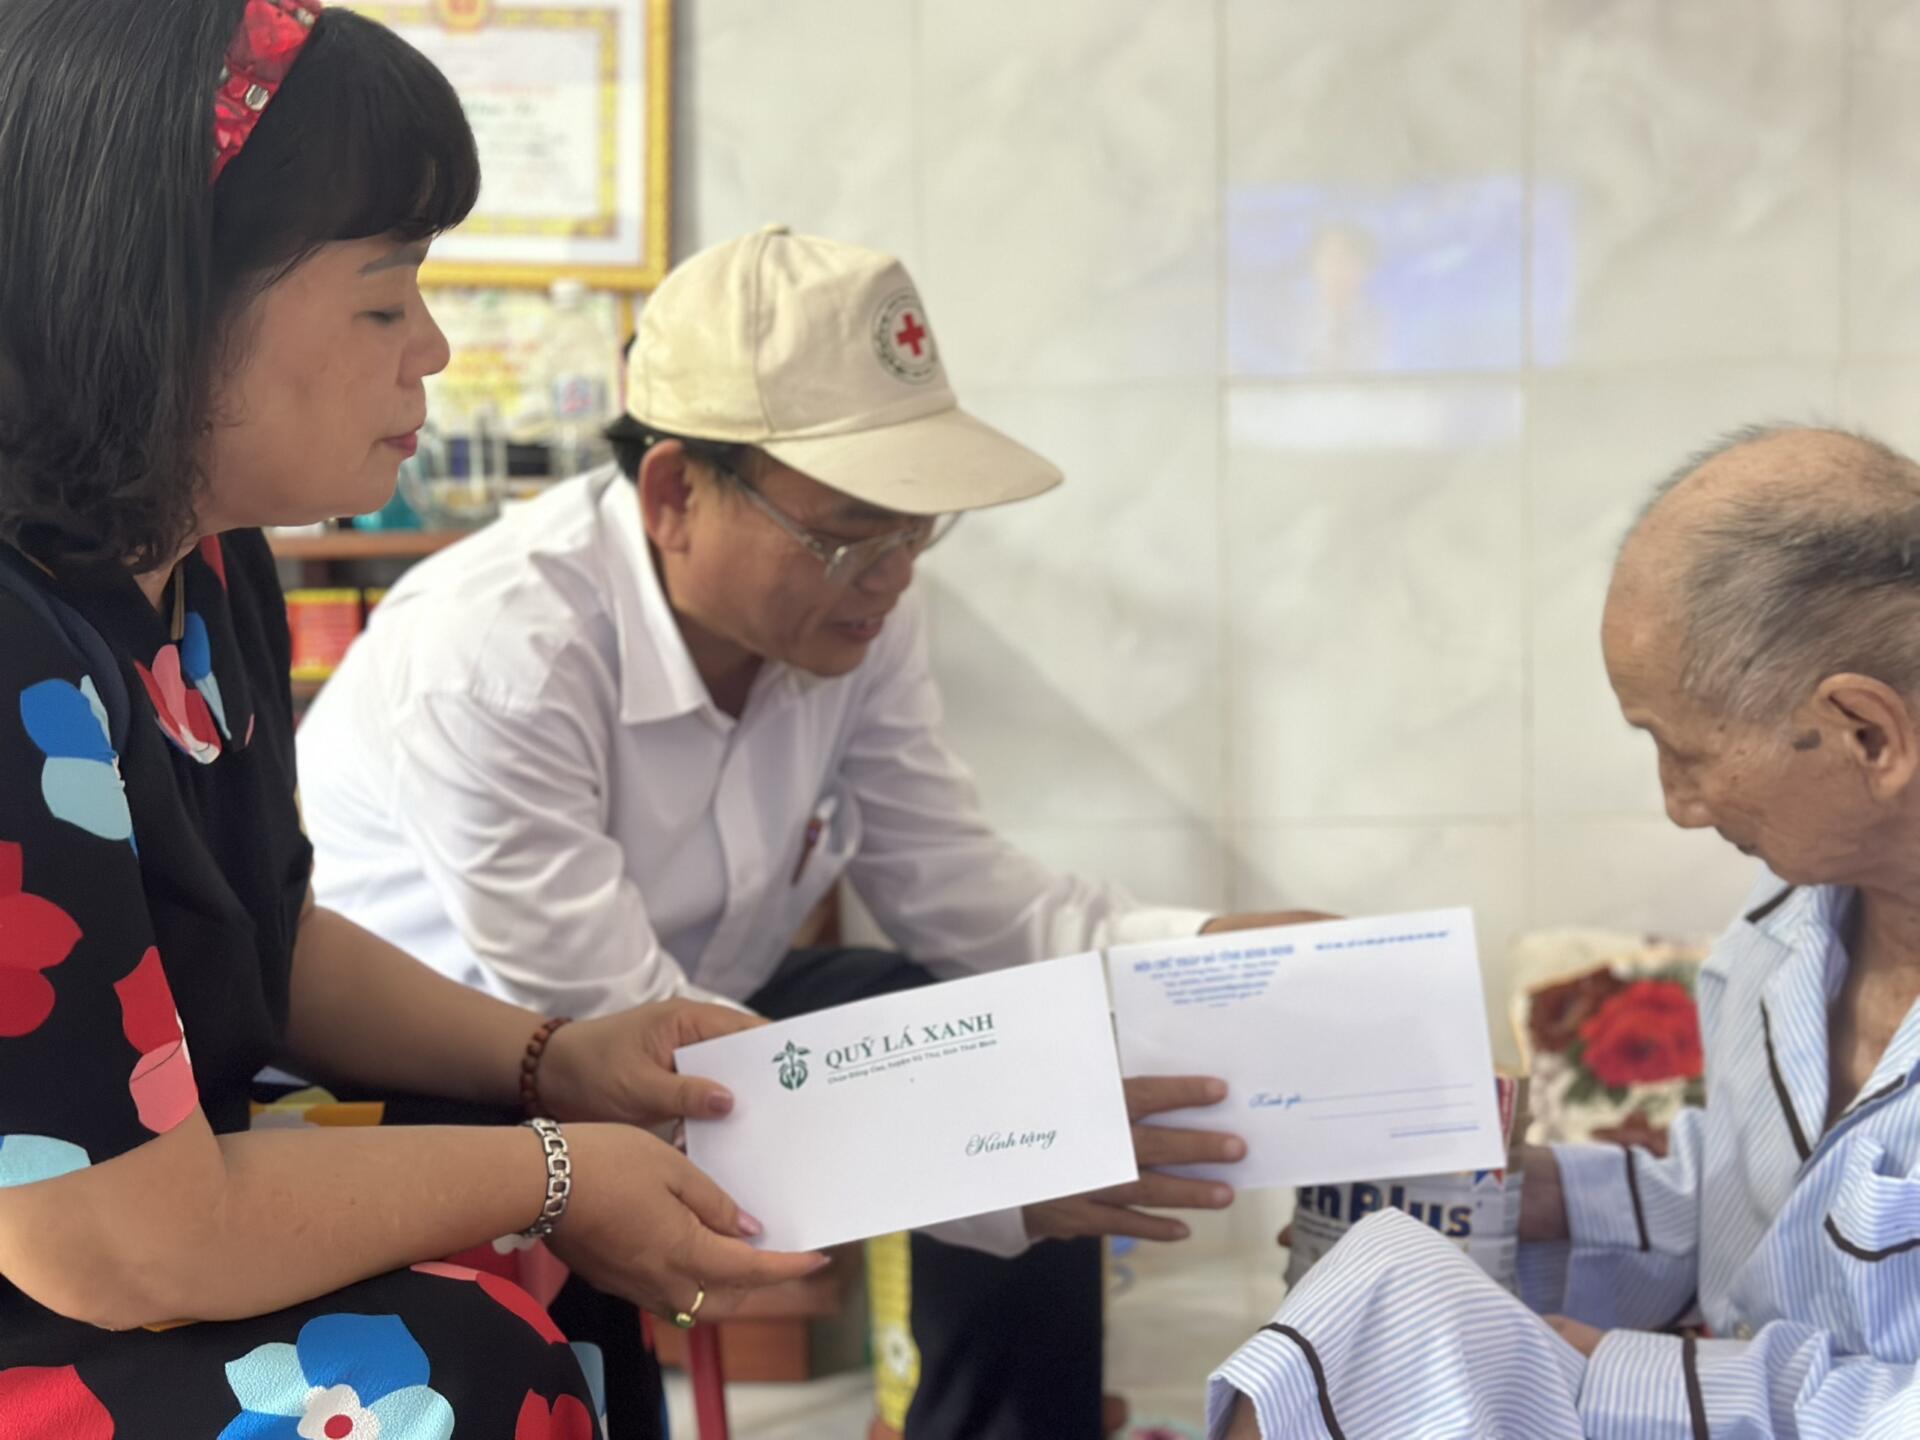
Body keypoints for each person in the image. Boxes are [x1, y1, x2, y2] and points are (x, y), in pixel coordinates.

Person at [297, 225, 1322, 1438]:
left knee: (1013, 1043)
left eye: (917, 529)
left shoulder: (855, 614)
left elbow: (960, 888)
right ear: (675, 494)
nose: (891, 575)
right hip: (479, 1065)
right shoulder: (498, 656)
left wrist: (1208, 957)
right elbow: (616, 1033)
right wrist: (991, 1156)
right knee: (1019, 1126)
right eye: (849, 532)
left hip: (703, 1007)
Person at [0, 4, 827, 1435]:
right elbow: (120, 1241)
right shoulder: (20, 650)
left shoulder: (203, 566)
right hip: (73, 1252)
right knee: (452, 1364)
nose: (433, 349)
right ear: (154, 298)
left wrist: (553, 1062)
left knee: (545, 1210)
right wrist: (557, 1170)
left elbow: (262, 934)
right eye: (386, 301)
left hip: (145, 1199)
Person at [1210, 425, 1920, 1440]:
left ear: (1868, 735)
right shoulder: (1789, 929)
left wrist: (1632, 1384)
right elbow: (1761, 1223)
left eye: (1684, 753)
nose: (1679, 804)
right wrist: (1521, 1199)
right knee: (1382, 1289)